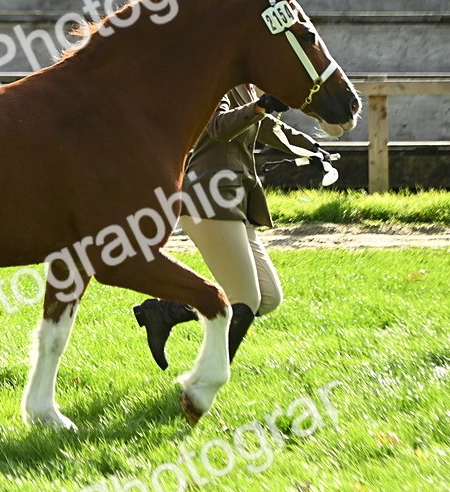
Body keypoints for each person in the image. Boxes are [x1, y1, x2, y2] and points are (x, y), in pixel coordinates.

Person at [133, 84, 334, 369]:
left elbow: (264, 126)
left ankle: (167, 310)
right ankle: (206, 380)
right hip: (207, 199)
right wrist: (259, 106)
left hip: (235, 199)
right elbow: (217, 126)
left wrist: (312, 149)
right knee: (246, 300)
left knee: (267, 297)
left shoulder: (244, 85)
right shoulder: (214, 80)